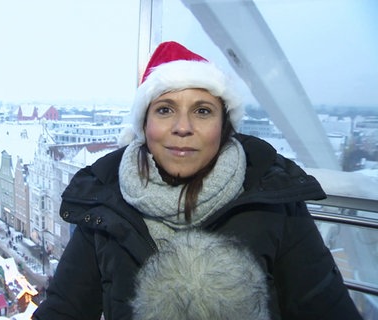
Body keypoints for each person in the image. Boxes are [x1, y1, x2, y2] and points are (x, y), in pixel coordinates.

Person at [31, 41, 362, 320]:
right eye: (164, 110)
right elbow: (64, 309)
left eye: (202, 110)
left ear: (225, 126)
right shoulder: (105, 202)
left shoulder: (273, 201)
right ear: (144, 126)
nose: (183, 127)